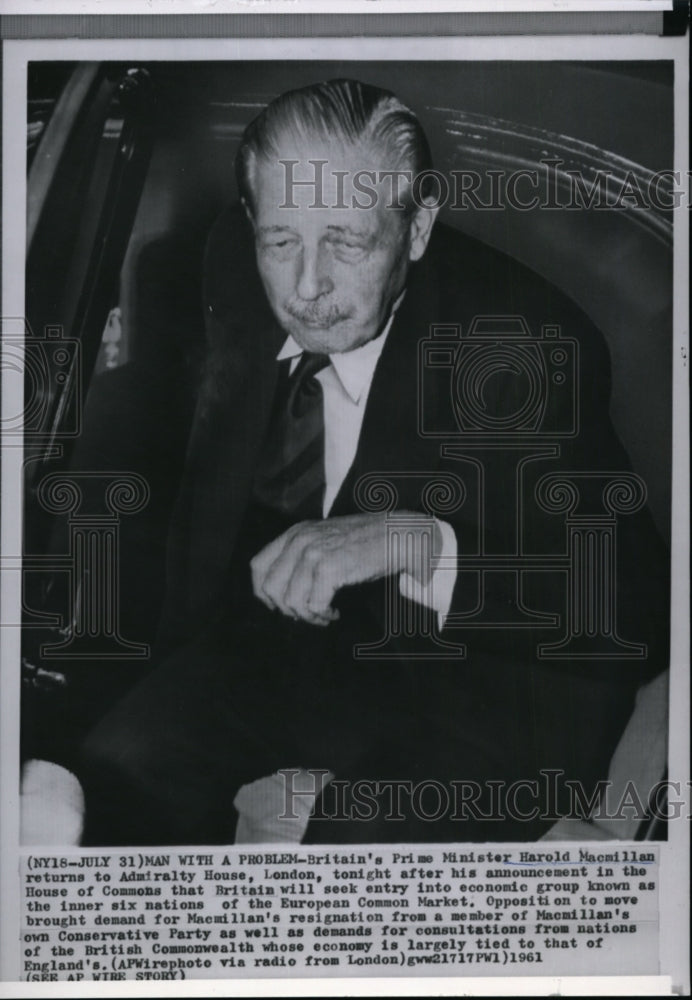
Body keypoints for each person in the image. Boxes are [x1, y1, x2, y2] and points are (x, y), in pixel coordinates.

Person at [78, 79, 668, 846]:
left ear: (417, 229)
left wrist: (418, 540)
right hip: (283, 650)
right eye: (281, 241)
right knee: (111, 778)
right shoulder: (231, 259)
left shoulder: (521, 344)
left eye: (348, 242)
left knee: (347, 859)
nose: (308, 288)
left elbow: (633, 607)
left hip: (478, 676)